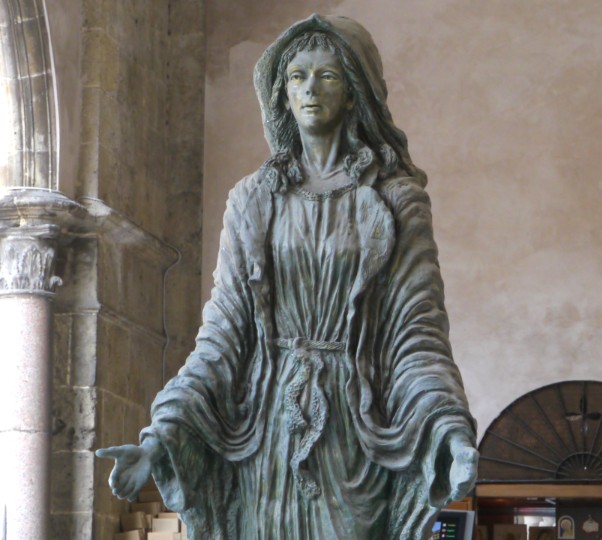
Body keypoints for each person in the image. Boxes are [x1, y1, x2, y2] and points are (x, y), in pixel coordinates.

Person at [96, 14, 478, 539]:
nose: (310, 89)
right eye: (297, 76)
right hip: (269, 427)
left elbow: (416, 332)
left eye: (327, 75)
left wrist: (449, 427)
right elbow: (223, 333)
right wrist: (162, 434)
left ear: (354, 91)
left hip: (353, 432)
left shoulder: (395, 201)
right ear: (282, 92)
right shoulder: (253, 199)